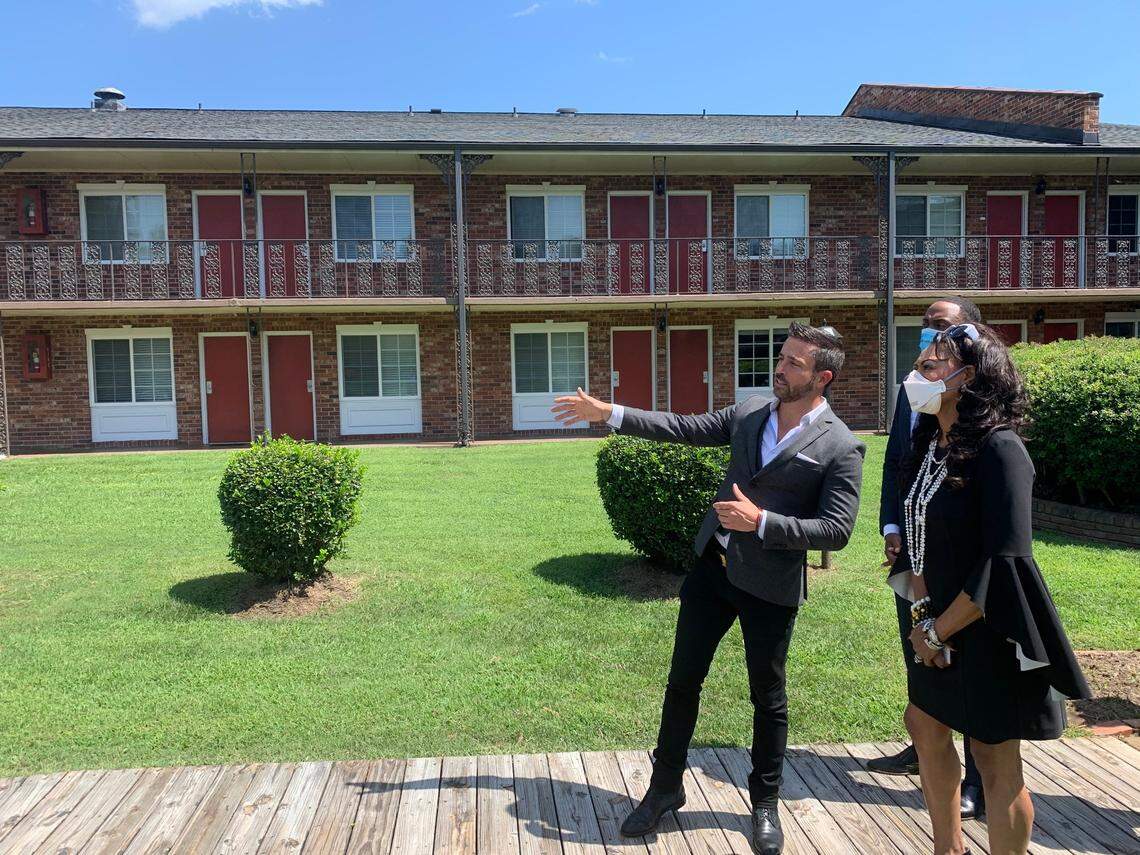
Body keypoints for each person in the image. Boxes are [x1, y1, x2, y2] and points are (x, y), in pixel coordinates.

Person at [551, 323, 865, 855]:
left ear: (822, 378)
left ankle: (764, 803)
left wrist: (761, 521)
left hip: (770, 586)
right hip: (712, 572)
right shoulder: (748, 414)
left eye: (793, 363)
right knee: (683, 681)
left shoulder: (840, 446)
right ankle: (665, 787)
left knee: (768, 699)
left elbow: (837, 529)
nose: (780, 368)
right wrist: (612, 415)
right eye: (781, 357)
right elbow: (681, 426)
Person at [890, 322, 1090, 855]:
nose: (917, 376)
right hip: (933, 625)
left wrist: (938, 630)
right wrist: (923, 622)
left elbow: (1003, 563)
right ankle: (946, 848)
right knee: (925, 724)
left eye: (930, 367)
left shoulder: (1001, 450)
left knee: (994, 756)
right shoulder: (930, 443)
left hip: (988, 627)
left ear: (967, 377)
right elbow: (922, 534)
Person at [871, 297, 986, 821]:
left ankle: (978, 779)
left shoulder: (982, 413)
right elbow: (899, 459)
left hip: (958, 556)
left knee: (965, 656)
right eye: (925, 327)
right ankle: (926, 741)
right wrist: (893, 526)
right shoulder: (912, 390)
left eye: (940, 327)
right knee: (919, 646)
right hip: (913, 547)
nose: (928, 337)